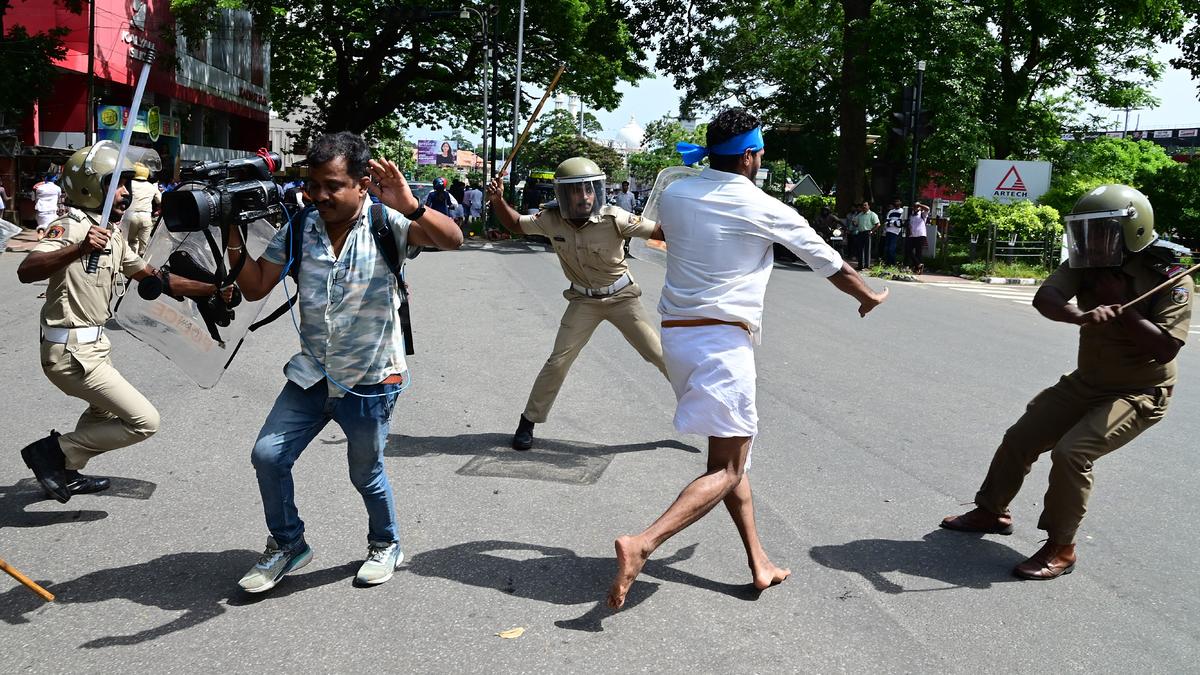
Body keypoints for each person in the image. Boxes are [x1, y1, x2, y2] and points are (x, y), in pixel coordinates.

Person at [606, 108, 889, 609]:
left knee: (731, 457)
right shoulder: (764, 206)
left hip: (677, 336)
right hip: (722, 345)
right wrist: (866, 295)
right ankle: (643, 543)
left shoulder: (674, 193)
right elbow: (829, 260)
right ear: (752, 156)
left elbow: (666, 235)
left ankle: (758, 563)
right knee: (728, 468)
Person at [223, 132, 462, 593]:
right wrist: (232, 232)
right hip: (312, 374)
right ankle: (288, 543)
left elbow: (452, 240)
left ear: (362, 183)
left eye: (333, 185)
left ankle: (385, 543)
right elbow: (255, 286)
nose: (321, 195)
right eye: (315, 185)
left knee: (364, 472)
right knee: (268, 455)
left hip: (371, 378)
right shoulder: (298, 225)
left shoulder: (385, 221)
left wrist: (410, 203)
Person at [941, 184, 1193, 580]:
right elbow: (1046, 298)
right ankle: (991, 511)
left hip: (1140, 391)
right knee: (1021, 437)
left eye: (1103, 231)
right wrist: (1077, 315)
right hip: (1086, 381)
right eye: (1088, 230)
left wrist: (1122, 307)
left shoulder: (1171, 277)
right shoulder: (1088, 261)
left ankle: (1062, 547)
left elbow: (1165, 349)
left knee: (1072, 453)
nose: (1093, 240)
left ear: (1132, 232)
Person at [16, 142, 225, 503]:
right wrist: (79, 248)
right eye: (118, 184)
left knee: (101, 412)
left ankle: (67, 471)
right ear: (91, 186)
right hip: (70, 353)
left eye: (127, 184)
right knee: (145, 421)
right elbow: (26, 270)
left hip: (93, 348)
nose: (126, 193)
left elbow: (153, 278)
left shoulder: (109, 235)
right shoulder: (71, 228)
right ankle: (51, 454)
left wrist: (212, 289)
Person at [486, 156, 668, 451]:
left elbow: (659, 232)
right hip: (583, 300)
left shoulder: (616, 218)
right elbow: (515, 225)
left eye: (589, 190)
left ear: (597, 190)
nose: (584, 197)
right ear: (563, 194)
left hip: (622, 297)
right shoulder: (550, 219)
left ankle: (705, 413)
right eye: (575, 191)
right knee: (558, 361)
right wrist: (497, 200)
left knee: (658, 354)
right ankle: (528, 421)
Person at [125, 162, 161, 256]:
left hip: (130, 216)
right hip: (146, 217)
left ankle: (129, 263)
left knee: (130, 242)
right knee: (143, 247)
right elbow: (160, 201)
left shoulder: (129, 184)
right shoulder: (151, 186)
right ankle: (141, 262)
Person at [34, 174, 63, 239]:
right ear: (54, 180)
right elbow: (59, 198)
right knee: (53, 225)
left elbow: (36, 199)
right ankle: (48, 237)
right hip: (52, 210)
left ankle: (41, 233)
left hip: (41, 210)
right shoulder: (58, 188)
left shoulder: (39, 188)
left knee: (42, 225)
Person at [904, 202, 930, 273]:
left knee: (918, 252)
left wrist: (919, 205)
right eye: (914, 207)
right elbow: (909, 224)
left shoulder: (922, 214)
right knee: (908, 250)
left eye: (917, 207)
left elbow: (927, 208)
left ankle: (917, 269)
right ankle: (918, 264)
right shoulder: (911, 215)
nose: (916, 208)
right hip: (912, 235)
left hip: (920, 235)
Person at [883, 199, 904, 266]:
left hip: (895, 232)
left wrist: (891, 223)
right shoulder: (891, 211)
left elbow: (900, 223)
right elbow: (886, 222)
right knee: (887, 249)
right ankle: (888, 263)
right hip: (888, 231)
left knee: (891, 249)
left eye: (898, 201)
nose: (896, 202)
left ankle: (893, 264)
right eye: (895, 201)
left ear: (900, 203)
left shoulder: (902, 211)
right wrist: (893, 223)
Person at [0, 182, 20, 254]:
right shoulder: (1, 189)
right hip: (0, 206)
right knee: (0, 222)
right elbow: (5, 198)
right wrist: (11, 197)